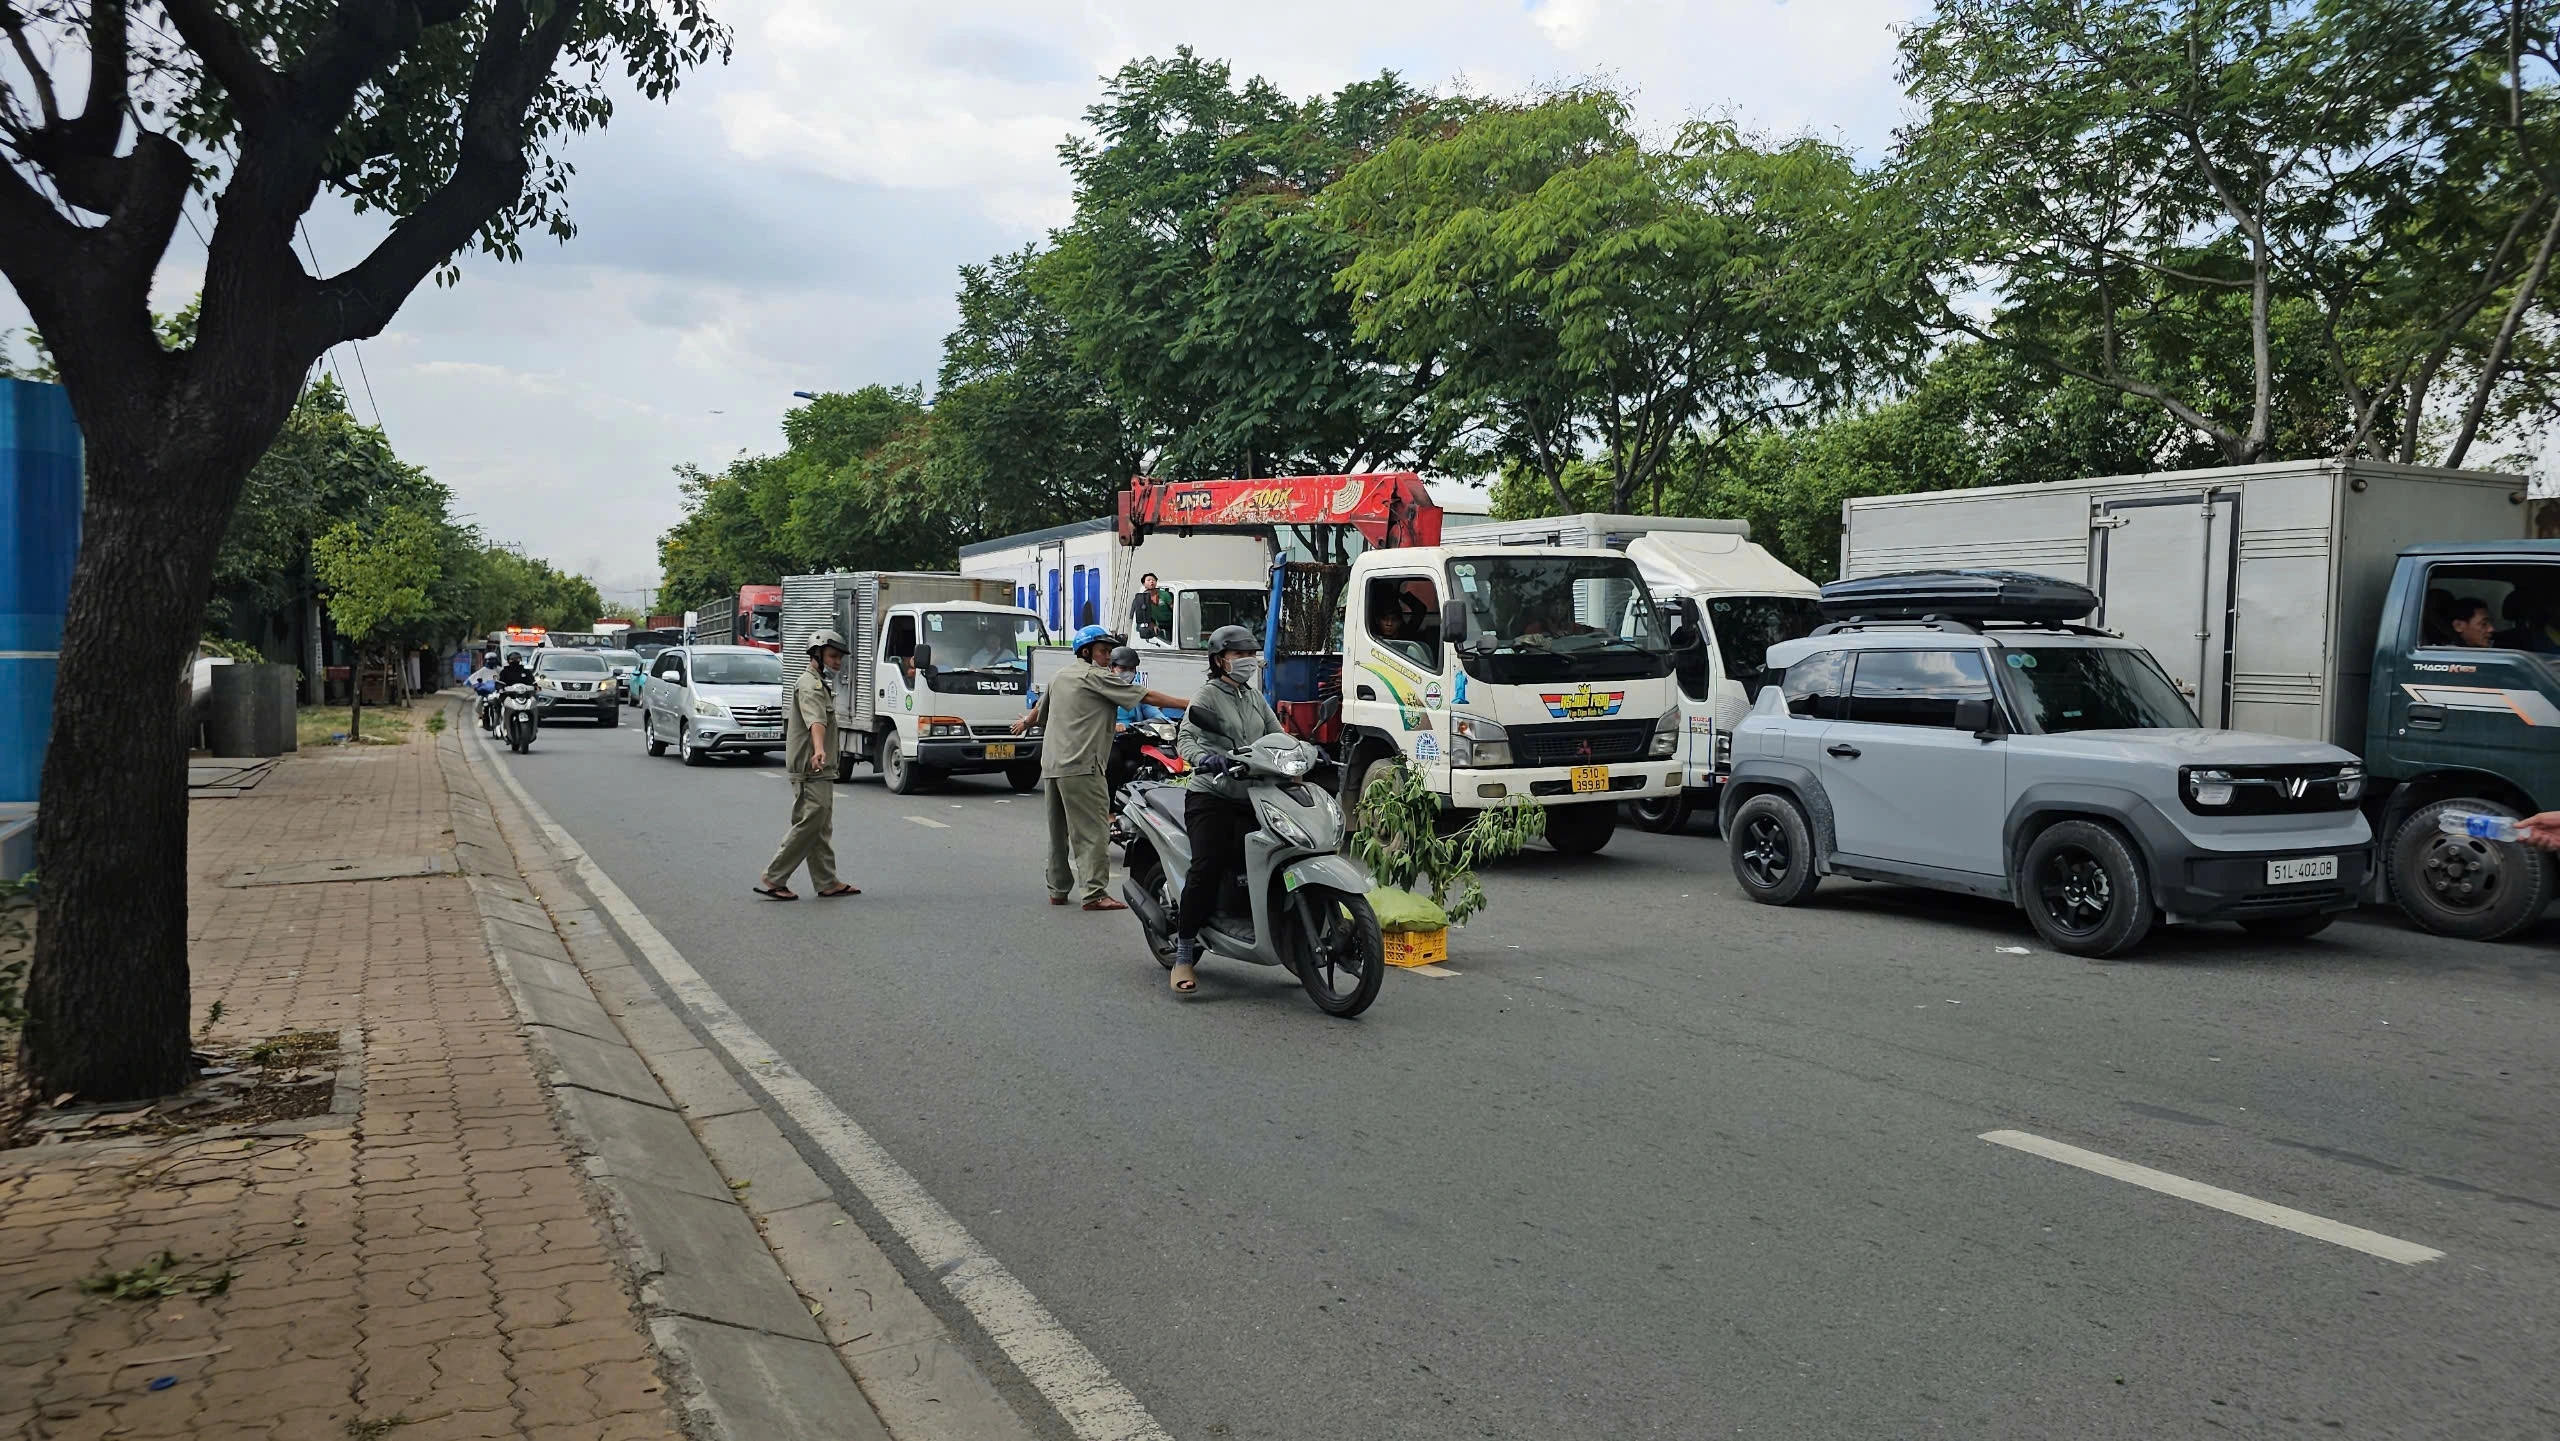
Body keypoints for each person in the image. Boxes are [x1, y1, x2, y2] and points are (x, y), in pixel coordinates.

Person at [1013, 624, 1187, 910]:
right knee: (1093, 830)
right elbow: (1146, 697)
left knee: (1059, 832)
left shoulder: (1060, 676)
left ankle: (1057, 889)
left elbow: (1040, 711)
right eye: (1103, 651)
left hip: (1053, 764)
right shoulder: (1096, 677)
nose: (1108, 657)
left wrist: (1025, 723)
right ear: (1086, 652)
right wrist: (1189, 704)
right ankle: (1094, 893)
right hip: (1082, 764)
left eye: (1109, 651)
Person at [1168, 624, 1288, 995]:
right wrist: (1204, 758)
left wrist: (1304, 752)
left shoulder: (1254, 697)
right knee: (1207, 866)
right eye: (1240, 656)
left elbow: (1277, 733)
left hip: (1254, 794)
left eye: (1251, 655)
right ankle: (1184, 952)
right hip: (1212, 796)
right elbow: (1184, 738)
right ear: (1220, 660)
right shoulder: (1207, 696)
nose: (1247, 662)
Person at [756, 629, 859, 901]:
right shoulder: (810, 685)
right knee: (811, 819)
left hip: (817, 764)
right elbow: (816, 721)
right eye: (833, 656)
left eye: (839, 657)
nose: (838, 662)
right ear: (817, 655)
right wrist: (820, 749)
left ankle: (827, 881)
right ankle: (775, 876)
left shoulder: (818, 682)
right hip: (811, 764)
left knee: (820, 824)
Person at [1130, 574, 1172, 642]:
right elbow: (1144, 616)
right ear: (1144, 584)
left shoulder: (1164, 594)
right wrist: (1152, 625)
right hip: (1159, 624)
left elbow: (1175, 609)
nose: (1151, 581)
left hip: (1172, 622)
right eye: (1149, 580)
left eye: (1153, 580)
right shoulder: (1142, 598)